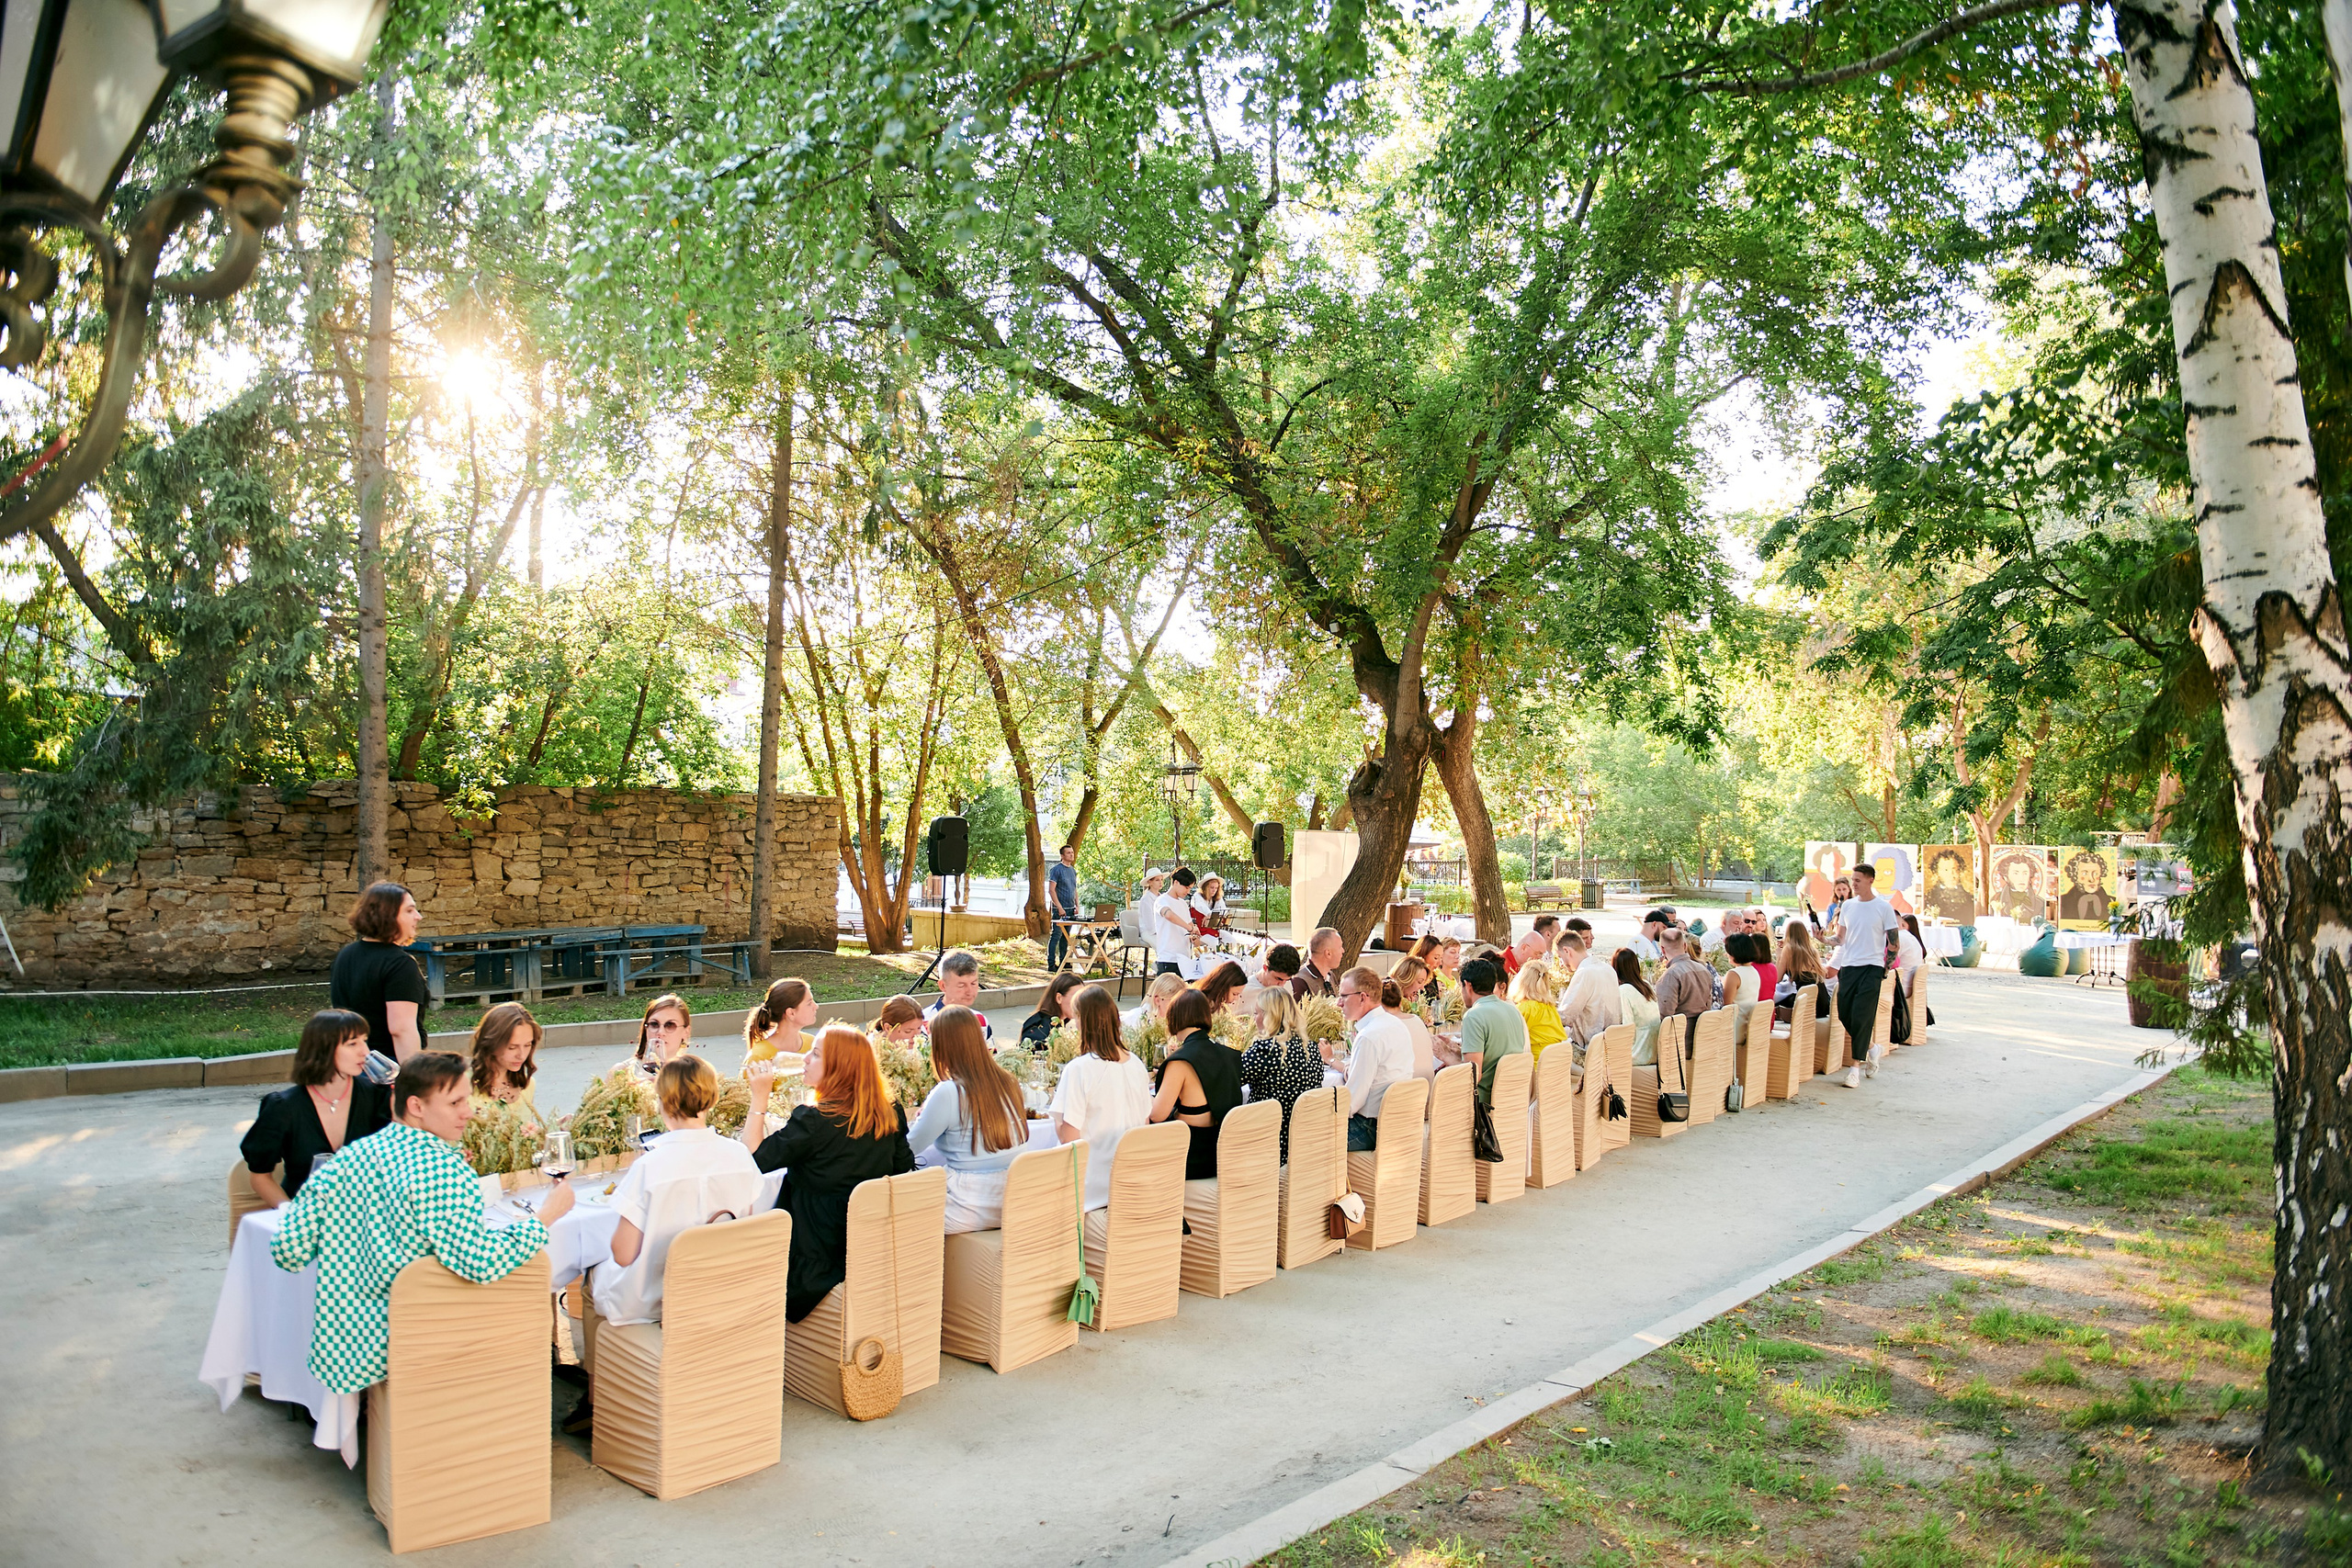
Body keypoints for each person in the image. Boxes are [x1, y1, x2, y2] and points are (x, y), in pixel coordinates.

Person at [269, 1051, 568, 1398]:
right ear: (416, 1106)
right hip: (425, 1339)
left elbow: (288, 1250)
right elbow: (480, 1262)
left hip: (348, 1347)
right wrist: (545, 1217)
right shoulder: (444, 1169)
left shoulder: (349, 1157)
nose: (468, 1112)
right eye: (456, 1102)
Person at [741, 1024, 917, 1318]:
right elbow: (903, 1168)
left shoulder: (814, 1120)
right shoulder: (890, 1110)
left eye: (816, 1054)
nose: (805, 1058)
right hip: (870, 1249)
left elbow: (753, 1161)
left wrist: (759, 1096)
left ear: (840, 1068)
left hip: (810, 1262)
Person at [595, 1055, 764, 1327]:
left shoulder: (649, 1166)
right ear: (712, 1098)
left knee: (593, 1274)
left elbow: (623, 1254)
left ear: (662, 1100)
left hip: (654, 1305)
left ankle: (604, 1366)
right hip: (721, 1293)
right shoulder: (740, 1156)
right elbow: (742, 1229)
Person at [243, 1009, 394, 1208]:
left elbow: (396, 1160)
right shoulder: (283, 1107)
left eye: (365, 1041)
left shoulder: (377, 1095)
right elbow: (260, 1177)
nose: (365, 1052)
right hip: (305, 1210)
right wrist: (290, 1214)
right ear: (323, 1049)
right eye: (352, 1044)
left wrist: (401, 1109)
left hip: (366, 1213)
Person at [906, 1006, 1031, 1232]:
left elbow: (908, 1149)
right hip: (1013, 1199)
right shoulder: (1008, 1082)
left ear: (943, 1047)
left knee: (890, 1211)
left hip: (968, 1203)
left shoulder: (949, 1091)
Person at [1047, 985, 1154, 1208]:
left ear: (1083, 1022)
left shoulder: (1080, 1069)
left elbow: (1070, 1138)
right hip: (1132, 1182)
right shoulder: (1136, 1064)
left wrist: (1056, 1120)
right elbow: (1145, 1123)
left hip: (1094, 1188)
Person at [1147, 987, 1243, 1179]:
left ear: (1174, 1017)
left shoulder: (1181, 1061)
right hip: (1223, 1153)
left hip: (1190, 1157)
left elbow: (1157, 1115)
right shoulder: (1229, 1055)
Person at [329, 881, 426, 1065]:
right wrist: (412, 1079)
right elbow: (401, 1029)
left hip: (351, 1063)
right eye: (409, 910)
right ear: (387, 915)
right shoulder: (400, 964)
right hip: (387, 1068)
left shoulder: (346, 954)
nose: (418, 916)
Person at [1829, 861, 1904, 1088]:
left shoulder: (1883, 908)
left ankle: (1854, 1070)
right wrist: (1823, 939)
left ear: (1870, 880)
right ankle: (1872, 1047)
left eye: (1858, 881)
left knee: (1862, 1016)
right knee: (1844, 1013)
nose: (1854, 884)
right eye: (1853, 880)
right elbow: (1840, 938)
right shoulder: (1849, 906)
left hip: (1872, 966)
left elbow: (1894, 942)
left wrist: (1886, 968)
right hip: (1849, 966)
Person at [1239, 987, 1326, 1161]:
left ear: (1269, 1016)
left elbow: (1233, 1078)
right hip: (1304, 1140)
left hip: (1269, 1139)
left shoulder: (1266, 1049)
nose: (1254, 1019)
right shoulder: (1312, 1048)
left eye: (1256, 1013)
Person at [1335, 965, 1415, 1151]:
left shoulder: (1369, 1036)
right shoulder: (1396, 1024)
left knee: (1305, 1137)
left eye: (1344, 996)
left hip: (1370, 1127)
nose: (1339, 1003)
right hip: (1398, 1123)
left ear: (1363, 997)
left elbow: (1353, 1102)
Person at [1450, 956, 1528, 1106]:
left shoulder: (1474, 1016)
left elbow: (1472, 1076)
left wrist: (1447, 1056)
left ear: (1467, 985)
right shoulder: (1513, 1010)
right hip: (1514, 1097)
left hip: (1485, 1103)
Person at [467, 1002, 545, 1126]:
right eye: (512, 1047)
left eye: (527, 1045)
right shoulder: (461, 1085)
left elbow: (525, 1140)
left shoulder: (527, 1085)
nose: (521, 1055)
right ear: (492, 1044)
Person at [1555, 931, 1621, 1046]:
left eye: (1560, 957)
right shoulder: (1608, 969)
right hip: (1612, 1043)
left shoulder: (1584, 973)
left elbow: (1566, 1016)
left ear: (1567, 951)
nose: (1561, 963)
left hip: (1590, 1048)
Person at [744, 976, 820, 1066]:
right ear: (791, 1013)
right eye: (809, 1003)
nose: (816, 1006)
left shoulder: (813, 1044)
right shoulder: (758, 1057)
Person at [922, 950, 992, 1040]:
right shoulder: (923, 1023)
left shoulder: (980, 1020)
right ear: (943, 986)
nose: (969, 991)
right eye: (961, 985)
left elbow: (990, 1053)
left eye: (973, 983)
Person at [1380, 974, 1437, 1082]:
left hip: (1402, 1094)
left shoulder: (1384, 1027)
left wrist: (1336, 1063)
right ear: (1401, 1002)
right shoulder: (1417, 1020)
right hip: (1426, 1091)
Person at [1508, 958, 1567, 1059]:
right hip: (1554, 1064)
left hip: (1534, 1068)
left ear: (1521, 981)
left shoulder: (1527, 1008)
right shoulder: (1550, 1007)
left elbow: (1511, 1041)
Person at [623, 993, 693, 1078]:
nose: (660, 1032)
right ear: (646, 1028)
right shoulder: (623, 1073)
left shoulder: (694, 1076)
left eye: (670, 1025)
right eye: (654, 1024)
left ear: (686, 1032)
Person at [1653, 930, 1716, 1021]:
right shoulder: (1703, 970)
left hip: (1680, 1032)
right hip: (1702, 1030)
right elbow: (1708, 1006)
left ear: (1662, 949)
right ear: (1685, 946)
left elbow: (1665, 1016)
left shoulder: (1670, 975)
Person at [1612, 949, 1662, 1066]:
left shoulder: (1623, 991)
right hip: (1654, 1052)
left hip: (1637, 1055)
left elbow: (1626, 1028)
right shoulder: (1646, 985)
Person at [1775, 921, 1829, 1018]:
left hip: (1807, 1001)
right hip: (1823, 1000)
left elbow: (1777, 978)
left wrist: (1779, 955)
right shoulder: (1812, 951)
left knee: (1778, 1004)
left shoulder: (1788, 949)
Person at [1020, 971, 1085, 1048]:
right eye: (1076, 997)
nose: (1081, 1003)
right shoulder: (1043, 1029)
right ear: (1059, 998)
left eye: (1082, 997)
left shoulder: (1052, 1023)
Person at [1152, 869, 1200, 975]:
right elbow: (1169, 915)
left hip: (1185, 959)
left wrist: (1195, 936)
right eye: (1186, 887)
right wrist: (1190, 928)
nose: (1188, 892)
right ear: (1176, 882)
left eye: (1190, 888)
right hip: (1168, 959)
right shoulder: (1162, 900)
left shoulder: (1183, 904)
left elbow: (1192, 929)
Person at [1046, 843, 1081, 968]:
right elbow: (1051, 890)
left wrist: (1077, 905)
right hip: (1059, 910)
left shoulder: (1072, 870)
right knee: (1056, 935)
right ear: (1062, 855)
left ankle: (1063, 961)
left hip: (1071, 910)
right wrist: (1059, 907)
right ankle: (1051, 963)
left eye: (1072, 852)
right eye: (1068, 853)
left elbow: (1074, 888)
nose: (1071, 854)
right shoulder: (1056, 870)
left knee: (1066, 937)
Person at [1923, 848, 1977, 923]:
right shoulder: (1929, 898)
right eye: (1946, 870)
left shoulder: (1969, 899)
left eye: (1955, 869)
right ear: (1937, 872)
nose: (1952, 875)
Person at [2057, 851, 2111, 922]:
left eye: (2095, 873)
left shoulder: (2111, 901)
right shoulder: (2064, 900)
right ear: (2075, 875)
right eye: (2085, 873)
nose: (2091, 879)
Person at [1291, 928, 1343, 999]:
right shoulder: (1299, 981)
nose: (1343, 951)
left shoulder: (1330, 975)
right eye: (1340, 947)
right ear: (1328, 953)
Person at [1136, 868, 1169, 957]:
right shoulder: (1146, 899)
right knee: (1163, 948)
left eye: (1161, 880)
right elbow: (1149, 923)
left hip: (1161, 930)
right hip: (1149, 932)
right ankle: (1159, 967)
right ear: (1150, 882)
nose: (1160, 882)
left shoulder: (1162, 897)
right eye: (1157, 880)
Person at [1897, 913, 1928, 997]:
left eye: (1903, 925)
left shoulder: (1900, 938)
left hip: (1901, 989)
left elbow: (1891, 963)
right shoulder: (1914, 939)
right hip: (1911, 987)